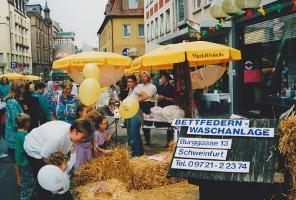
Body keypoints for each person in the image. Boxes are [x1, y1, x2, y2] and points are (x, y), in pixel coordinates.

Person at [24, 119, 93, 200]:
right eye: (83, 138)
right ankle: (40, 194)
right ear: (75, 131)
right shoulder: (56, 138)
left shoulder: (70, 134)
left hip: (48, 149)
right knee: (44, 177)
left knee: (53, 179)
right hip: (35, 149)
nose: (83, 140)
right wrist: (57, 171)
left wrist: (60, 170)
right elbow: (45, 158)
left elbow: (66, 155)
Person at [5, 81, 24, 186]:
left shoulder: (12, 100)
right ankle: (19, 180)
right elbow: (16, 121)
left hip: (12, 135)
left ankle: (19, 179)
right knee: (17, 159)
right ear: (18, 90)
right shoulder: (13, 102)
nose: (24, 90)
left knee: (16, 159)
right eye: (23, 88)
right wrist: (25, 118)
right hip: (14, 136)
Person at [126, 75, 149, 157]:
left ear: (135, 82)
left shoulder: (136, 89)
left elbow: (146, 96)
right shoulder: (130, 89)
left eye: (131, 82)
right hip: (132, 115)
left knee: (134, 136)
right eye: (128, 82)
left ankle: (136, 155)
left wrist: (135, 100)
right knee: (134, 135)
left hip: (136, 116)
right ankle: (138, 154)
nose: (129, 83)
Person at [15, 113, 35, 200]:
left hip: (21, 161)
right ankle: (25, 197)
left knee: (26, 178)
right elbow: (28, 149)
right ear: (26, 123)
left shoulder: (18, 133)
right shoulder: (24, 136)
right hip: (25, 162)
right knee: (27, 181)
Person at [75, 104, 99, 168]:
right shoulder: (76, 123)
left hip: (88, 147)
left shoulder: (90, 122)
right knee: (80, 165)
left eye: (89, 111)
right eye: (86, 112)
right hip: (79, 148)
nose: (88, 114)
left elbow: (93, 134)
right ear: (80, 113)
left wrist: (94, 146)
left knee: (88, 164)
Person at [138, 71, 157, 145]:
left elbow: (147, 96)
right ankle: (146, 139)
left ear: (148, 77)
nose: (143, 78)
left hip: (149, 104)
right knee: (141, 122)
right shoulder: (139, 86)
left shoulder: (152, 86)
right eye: (142, 76)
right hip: (140, 104)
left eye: (145, 76)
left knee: (147, 123)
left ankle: (148, 139)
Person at [157, 72, 175, 146]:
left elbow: (173, 99)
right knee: (164, 125)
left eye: (163, 77)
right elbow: (157, 96)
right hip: (162, 107)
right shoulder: (159, 87)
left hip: (169, 108)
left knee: (169, 126)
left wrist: (165, 98)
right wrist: (158, 98)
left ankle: (169, 142)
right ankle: (168, 142)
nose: (161, 79)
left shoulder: (171, 88)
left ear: (167, 78)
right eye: (161, 77)